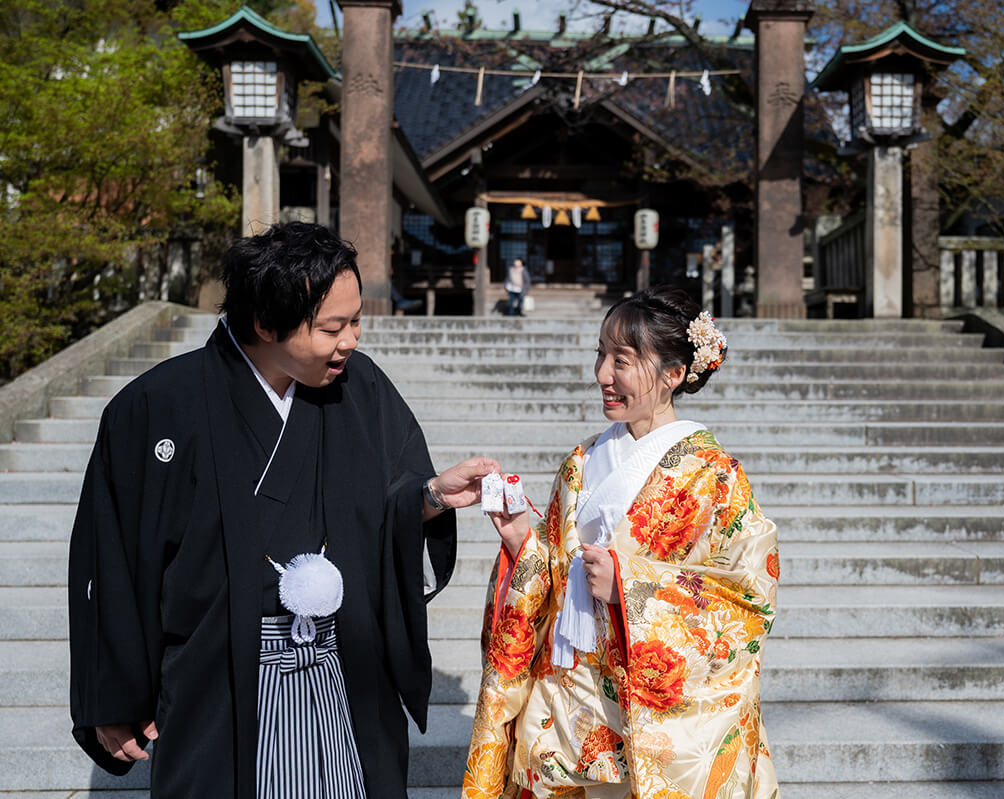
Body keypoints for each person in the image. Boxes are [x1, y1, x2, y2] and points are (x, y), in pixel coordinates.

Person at [68, 222, 499, 798]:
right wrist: (113, 695)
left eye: (355, 321)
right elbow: (113, 558)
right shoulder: (155, 408)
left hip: (344, 667)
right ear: (265, 324)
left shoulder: (362, 388)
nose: (351, 340)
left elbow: (389, 501)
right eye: (331, 328)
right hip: (217, 680)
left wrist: (430, 497)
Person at [461, 287, 780, 798]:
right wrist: (525, 538)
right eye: (601, 355)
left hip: (644, 719)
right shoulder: (583, 461)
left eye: (622, 361)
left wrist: (632, 587)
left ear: (673, 375)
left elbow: (749, 598)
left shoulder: (715, 476)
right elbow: (554, 564)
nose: (603, 375)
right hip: (565, 704)